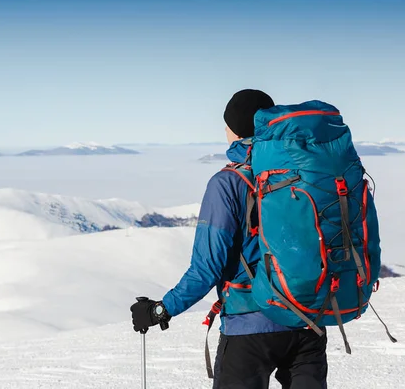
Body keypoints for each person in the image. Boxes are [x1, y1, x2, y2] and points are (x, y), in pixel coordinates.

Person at [130, 89, 328, 389]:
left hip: (250, 328)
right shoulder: (305, 171)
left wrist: (161, 310)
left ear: (233, 129)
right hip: (308, 320)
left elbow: (206, 269)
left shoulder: (227, 184)